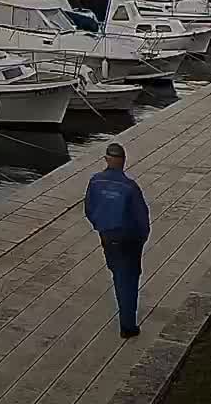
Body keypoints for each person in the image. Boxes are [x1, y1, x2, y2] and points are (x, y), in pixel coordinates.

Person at [84, 141, 150, 338]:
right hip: (129, 239)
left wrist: (101, 227)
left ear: (106, 160)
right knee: (128, 279)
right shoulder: (130, 187)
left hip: (108, 236)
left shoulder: (95, 182)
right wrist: (141, 239)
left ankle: (127, 319)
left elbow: (89, 209)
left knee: (118, 275)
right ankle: (128, 325)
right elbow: (142, 218)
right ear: (123, 162)